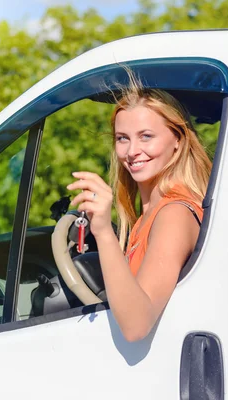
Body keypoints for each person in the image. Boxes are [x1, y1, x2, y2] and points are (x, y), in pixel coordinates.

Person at [67, 73, 212, 342]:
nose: (132, 151)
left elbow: (136, 326)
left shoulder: (174, 214)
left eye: (146, 136)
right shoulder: (151, 213)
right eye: (122, 138)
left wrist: (103, 232)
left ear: (178, 139)